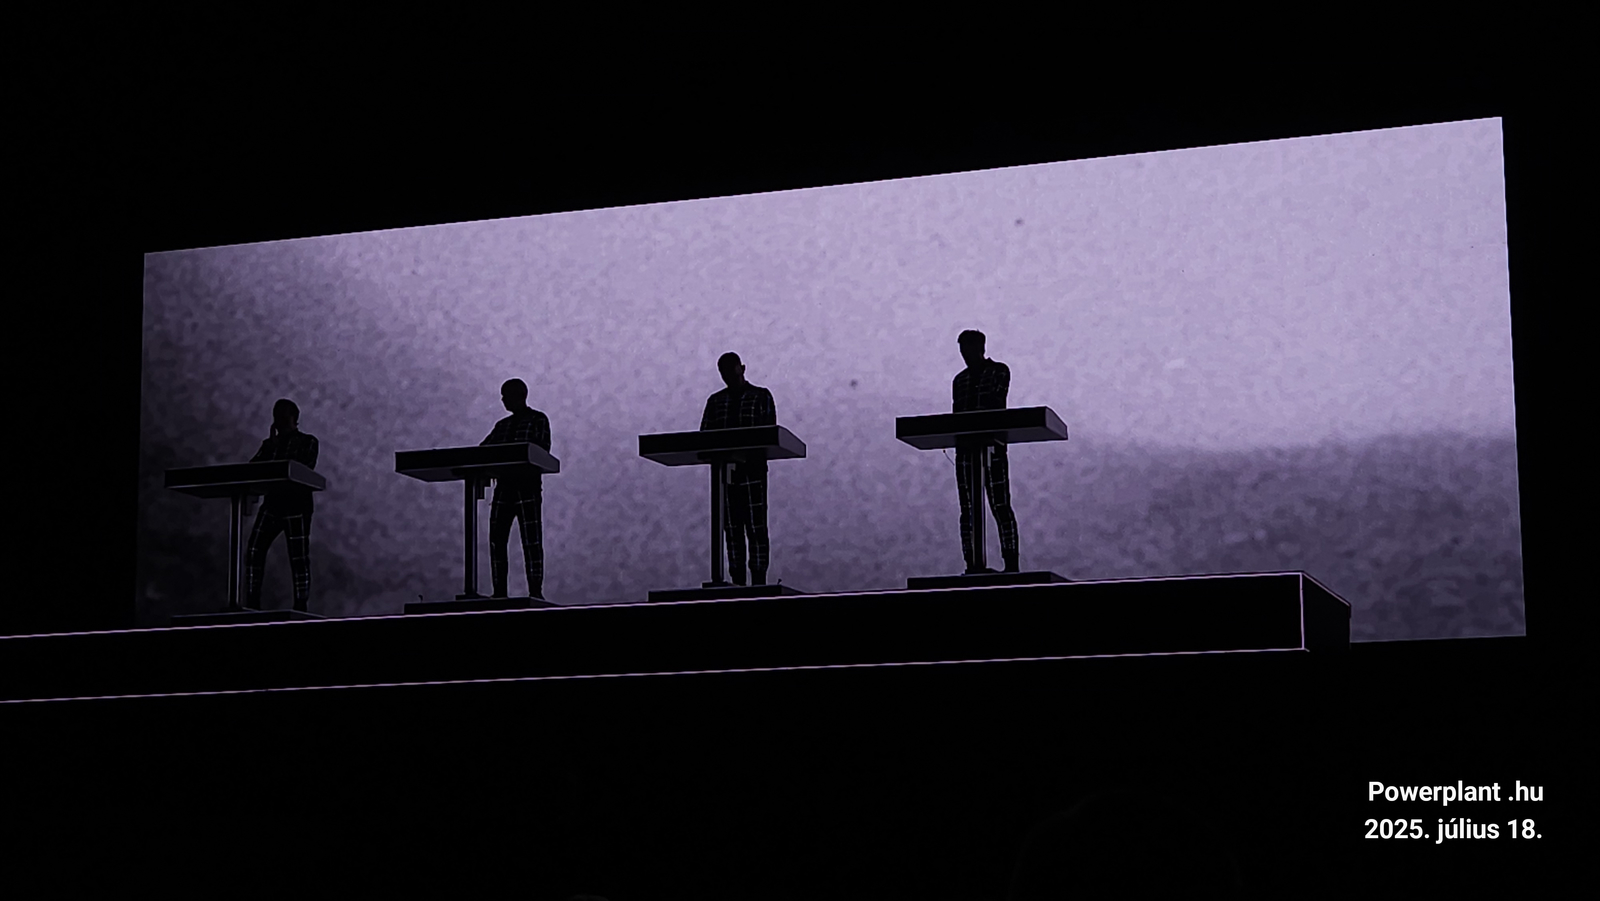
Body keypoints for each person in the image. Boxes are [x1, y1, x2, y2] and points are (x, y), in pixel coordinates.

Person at [700, 352, 776, 586]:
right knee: (732, 529)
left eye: (731, 371)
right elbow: (703, 438)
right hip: (725, 475)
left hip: (752, 472)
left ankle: (758, 581)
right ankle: (737, 581)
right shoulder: (715, 402)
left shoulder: (760, 396)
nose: (728, 377)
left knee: (756, 527)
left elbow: (770, 434)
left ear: (742, 369)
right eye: (724, 373)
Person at [953, 329, 1020, 573]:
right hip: (965, 450)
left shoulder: (999, 371)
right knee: (968, 509)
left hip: (992, 448)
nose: (965, 354)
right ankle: (972, 564)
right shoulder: (959, 381)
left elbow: (995, 404)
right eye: (962, 349)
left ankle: (1011, 564)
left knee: (1000, 505)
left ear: (980, 348)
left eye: (968, 348)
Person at [244, 399, 320, 610]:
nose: (278, 420)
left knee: (298, 557)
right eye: (276, 415)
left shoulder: (308, 441)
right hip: (273, 505)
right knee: (254, 550)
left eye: (282, 415)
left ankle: (300, 604)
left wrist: (274, 451)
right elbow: (251, 470)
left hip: (296, 505)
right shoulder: (269, 445)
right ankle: (252, 602)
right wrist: (272, 446)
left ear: (294, 417)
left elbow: (303, 467)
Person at [481, 378, 551, 600]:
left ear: (518, 395)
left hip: (526, 486)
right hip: (504, 487)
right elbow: (482, 452)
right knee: (497, 540)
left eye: (506, 395)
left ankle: (535, 591)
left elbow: (542, 450)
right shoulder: (501, 426)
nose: (502, 400)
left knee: (531, 540)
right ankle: (499, 591)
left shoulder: (538, 419)